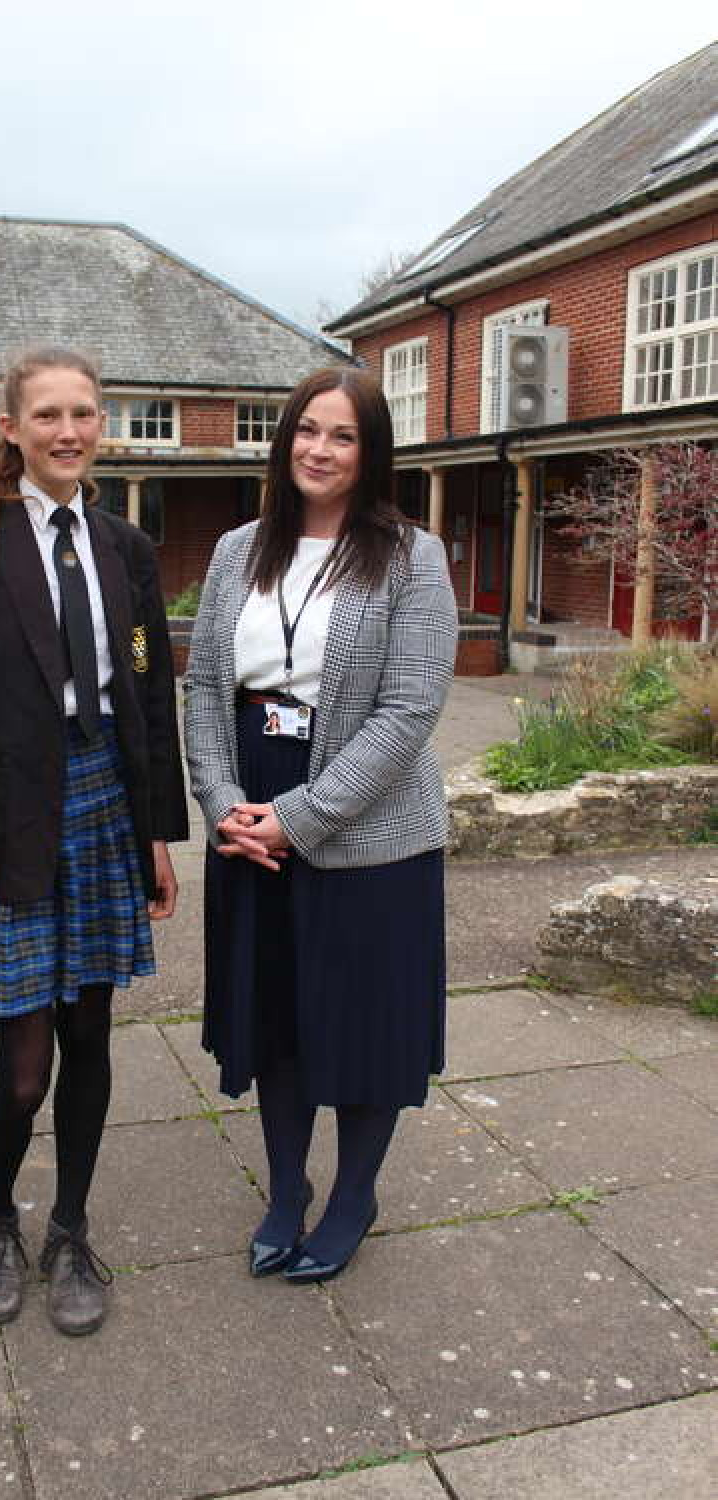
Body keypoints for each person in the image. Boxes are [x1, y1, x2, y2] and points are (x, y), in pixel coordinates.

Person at [0, 346, 187, 1335]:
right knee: (22, 1070)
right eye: (49, 414)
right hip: (6, 827)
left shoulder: (125, 547)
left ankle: (69, 1229)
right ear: (11, 428)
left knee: (91, 1040)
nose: (70, 431)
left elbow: (148, 695)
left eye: (86, 413)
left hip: (105, 809)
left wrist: (157, 832)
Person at [184, 366, 457, 1283]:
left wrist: (298, 819)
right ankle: (286, 1189)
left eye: (342, 436)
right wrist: (223, 803)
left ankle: (352, 1197)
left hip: (367, 823)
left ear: (370, 451)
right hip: (248, 808)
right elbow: (203, 689)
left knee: (363, 1023)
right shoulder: (235, 551)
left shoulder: (413, 557)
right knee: (278, 1019)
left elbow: (410, 710)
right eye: (307, 430)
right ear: (284, 438)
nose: (320, 450)